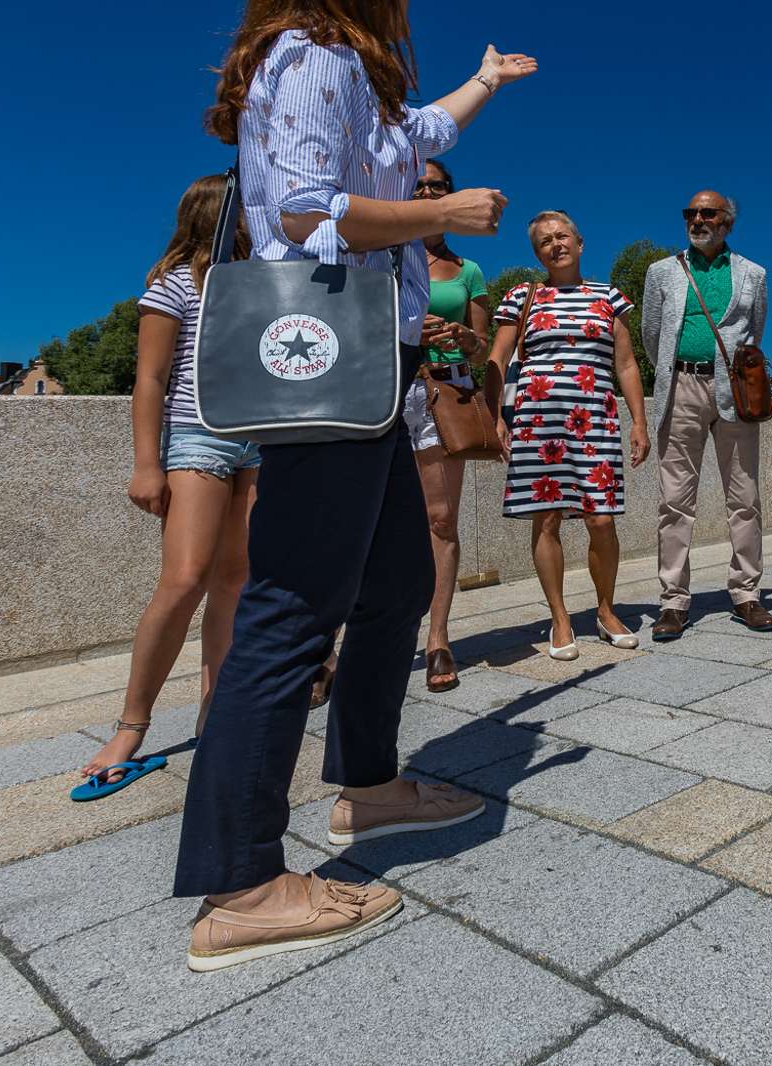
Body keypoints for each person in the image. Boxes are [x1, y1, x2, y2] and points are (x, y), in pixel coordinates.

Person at [173, 0, 534, 973]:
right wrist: (441, 215)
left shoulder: (352, 80)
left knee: (396, 585)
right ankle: (241, 882)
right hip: (335, 348)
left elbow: (421, 132)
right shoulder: (314, 58)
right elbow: (301, 208)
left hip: (379, 359)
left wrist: (488, 81)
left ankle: (368, 783)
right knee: (290, 610)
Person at [77, 175, 258, 796]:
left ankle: (216, 714)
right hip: (199, 438)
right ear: (220, 213)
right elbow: (150, 380)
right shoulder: (176, 284)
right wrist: (145, 463)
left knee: (237, 580)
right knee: (184, 580)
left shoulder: (259, 280)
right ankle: (132, 724)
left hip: (262, 443)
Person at [491, 212, 649, 659]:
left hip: (595, 420)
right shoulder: (522, 297)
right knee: (548, 518)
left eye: (562, 236)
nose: (554, 245)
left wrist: (638, 421)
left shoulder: (608, 297)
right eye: (544, 241)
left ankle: (605, 610)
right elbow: (498, 360)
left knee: (601, 519)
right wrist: (495, 417)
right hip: (537, 423)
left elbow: (626, 365)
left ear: (580, 243)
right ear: (536, 252)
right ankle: (560, 618)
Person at [643, 191, 772, 640]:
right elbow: (651, 334)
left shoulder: (753, 274)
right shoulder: (661, 271)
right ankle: (674, 601)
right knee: (674, 501)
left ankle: (746, 594)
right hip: (679, 388)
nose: (698, 219)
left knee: (744, 498)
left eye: (708, 213)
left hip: (734, 393)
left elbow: (754, 331)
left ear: (727, 222)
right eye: (691, 213)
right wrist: (677, 371)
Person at [403, 157, 491, 693]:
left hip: (444, 392)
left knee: (440, 520)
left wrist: (460, 337)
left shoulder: (468, 270)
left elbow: (483, 349)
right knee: (366, 524)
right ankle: (335, 649)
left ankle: (437, 639)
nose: (430, 190)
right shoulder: (380, 256)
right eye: (420, 185)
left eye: (439, 185)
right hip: (385, 393)